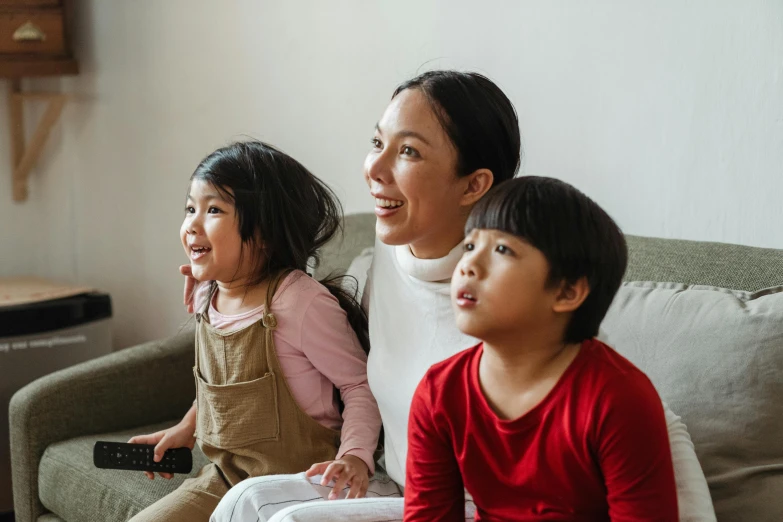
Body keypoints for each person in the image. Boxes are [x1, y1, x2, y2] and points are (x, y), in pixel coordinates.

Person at [211, 70, 716, 522]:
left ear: (474, 184)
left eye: (407, 151)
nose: (374, 168)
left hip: (480, 506)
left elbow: (639, 416)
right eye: (377, 142)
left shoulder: (528, 306)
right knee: (245, 502)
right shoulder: (392, 254)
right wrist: (218, 293)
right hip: (408, 488)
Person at [128, 141, 382, 521]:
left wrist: (355, 457)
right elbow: (226, 387)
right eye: (190, 208)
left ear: (264, 232)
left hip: (300, 484)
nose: (192, 224)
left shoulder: (300, 303)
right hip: (224, 478)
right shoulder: (206, 295)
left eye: (213, 209)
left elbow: (360, 385)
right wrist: (185, 428)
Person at [405, 176, 678, 521]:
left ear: (566, 292)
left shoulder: (619, 399)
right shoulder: (438, 392)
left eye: (503, 250)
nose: (468, 266)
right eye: (470, 246)